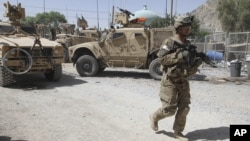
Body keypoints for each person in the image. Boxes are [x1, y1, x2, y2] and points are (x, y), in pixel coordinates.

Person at [149, 15, 202, 141]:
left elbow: (189, 67)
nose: (188, 29)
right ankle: (155, 117)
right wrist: (179, 55)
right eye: (185, 27)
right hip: (170, 81)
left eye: (189, 27)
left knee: (185, 108)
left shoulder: (188, 44)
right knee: (169, 110)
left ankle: (178, 132)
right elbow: (161, 59)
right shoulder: (169, 42)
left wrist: (196, 63)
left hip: (183, 80)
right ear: (178, 28)